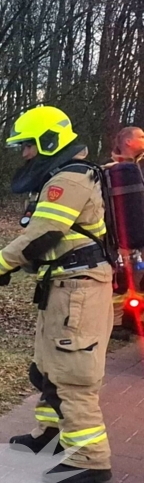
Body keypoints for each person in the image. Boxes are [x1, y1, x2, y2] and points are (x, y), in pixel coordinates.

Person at [0, 105, 113, 483]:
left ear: (49, 141)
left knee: (72, 376)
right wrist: (13, 268)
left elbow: (41, 236)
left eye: (28, 145)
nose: (24, 154)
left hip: (78, 291)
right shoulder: (62, 176)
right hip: (63, 287)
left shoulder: (69, 180)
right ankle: (53, 436)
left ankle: (90, 459)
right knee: (46, 370)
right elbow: (51, 243)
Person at [108, 126, 144, 336]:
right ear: (128, 142)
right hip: (120, 233)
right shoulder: (113, 169)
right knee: (120, 280)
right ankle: (115, 323)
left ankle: (134, 319)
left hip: (139, 231)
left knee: (139, 279)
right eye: (141, 136)